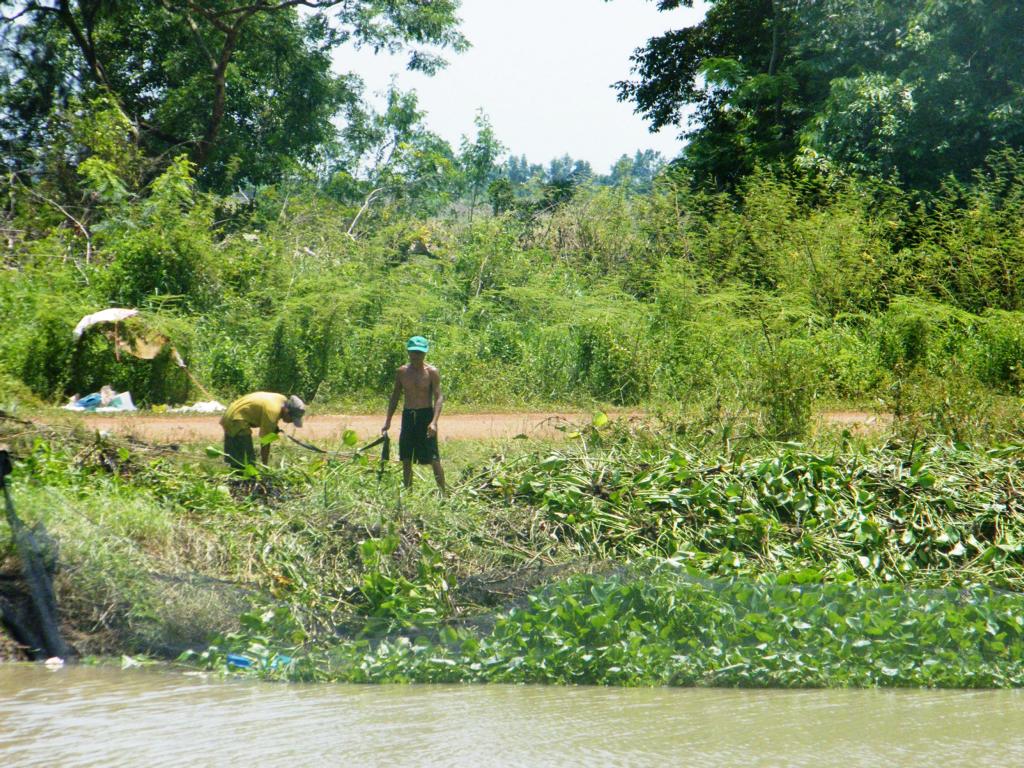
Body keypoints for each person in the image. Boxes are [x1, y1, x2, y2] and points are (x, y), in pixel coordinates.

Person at [382, 336, 446, 493]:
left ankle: (444, 493)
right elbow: (395, 396)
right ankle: (408, 493)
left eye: (420, 353)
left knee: (433, 457)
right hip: (408, 416)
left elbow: (438, 397)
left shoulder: (432, 372)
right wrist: (388, 420)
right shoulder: (402, 372)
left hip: (426, 416)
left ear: (425, 353)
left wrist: (434, 422)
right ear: (408, 352)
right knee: (406, 457)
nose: (416, 356)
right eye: (413, 352)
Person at [220, 392, 305, 469]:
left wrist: (273, 428)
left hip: (234, 413)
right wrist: (265, 466)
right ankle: (242, 478)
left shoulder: (282, 399)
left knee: (240, 459)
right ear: (286, 411)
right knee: (245, 462)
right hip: (235, 419)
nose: (291, 422)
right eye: (292, 418)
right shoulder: (272, 412)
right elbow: (265, 442)